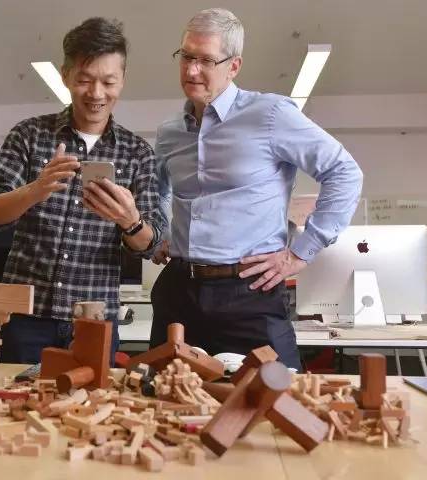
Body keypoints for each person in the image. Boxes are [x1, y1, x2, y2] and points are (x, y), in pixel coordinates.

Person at [151, 8, 363, 370]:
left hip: (249, 293)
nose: (191, 70)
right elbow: (157, 190)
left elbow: (344, 171)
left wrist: (300, 253)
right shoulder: (169, 132)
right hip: (179, 291)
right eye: (186, 56)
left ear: (233, 66)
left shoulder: (271, 115)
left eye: (206, 60)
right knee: (166, 394)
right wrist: (160, 234)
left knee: (278, 396)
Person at [0, 17, 164, 364]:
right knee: (14, 397)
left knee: (94, 400)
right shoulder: (29, 135)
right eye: (84, 80)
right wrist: (35, 190)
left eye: (108, 81)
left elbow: (151, 243)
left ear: (122, 80)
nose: (96, 94)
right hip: (25, 318)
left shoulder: (137, 152)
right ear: (65, 76)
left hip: (95, 319)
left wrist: (130, 221)